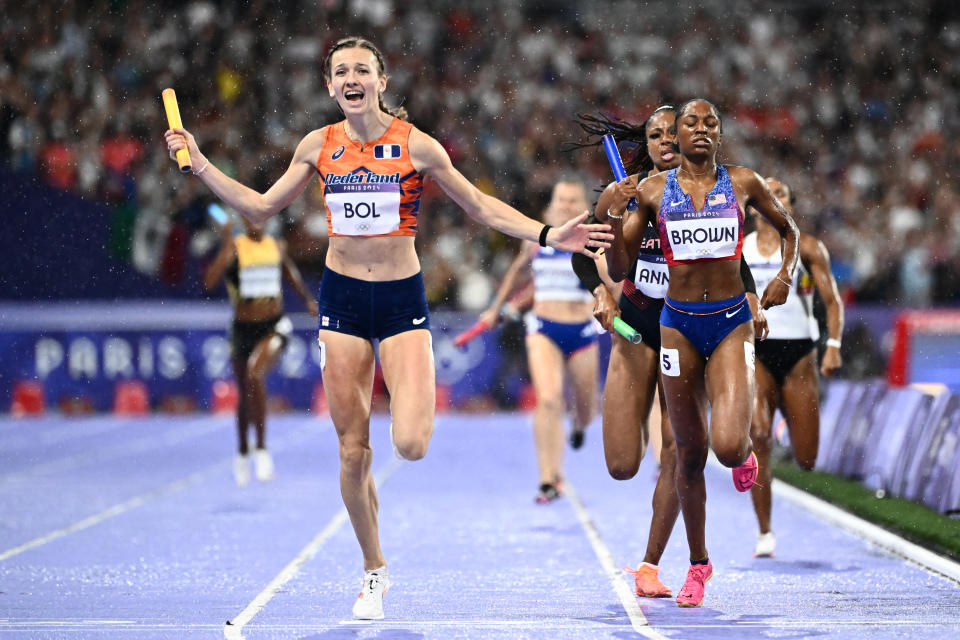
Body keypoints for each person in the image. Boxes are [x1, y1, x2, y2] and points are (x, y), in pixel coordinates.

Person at [164, 36, 612, 620]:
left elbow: (480, 206)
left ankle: (378, 551)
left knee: (411, 444)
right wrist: (198, 162)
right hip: (343, 302)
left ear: (381, 81)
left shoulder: (416, 146)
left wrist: (550, 235)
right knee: (353, 452)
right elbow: (258, 208)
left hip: (402, 302)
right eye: (340, 71)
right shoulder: (316, 145)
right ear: (330, 86)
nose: (351, 79)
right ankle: (373, 570)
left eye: (362, 70)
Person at [600, 98, 799, 607]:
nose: (691, 133)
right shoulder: (643, 192)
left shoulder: (740, 183)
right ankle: (688, 562)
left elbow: (772, 239)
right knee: (655, 459)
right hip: (657, 328)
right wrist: (608, 215)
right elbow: (612, 262)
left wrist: (776, 281)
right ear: (662, 141)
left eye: (707, 123)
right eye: (680, 127)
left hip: (720, 322)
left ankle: (738, 463)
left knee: (714, 448)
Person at [571, 106, 764, 598]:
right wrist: (598, 289)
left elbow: (731, 257)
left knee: (679, 450)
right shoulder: (632, 191)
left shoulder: (709, 189)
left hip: (688, 327)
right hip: (637, 330)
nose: (664, 143)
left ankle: (651, 564)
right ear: (648, 143)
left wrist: (753, 297)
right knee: (621, 464)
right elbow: (582, 253)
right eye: (654, 136)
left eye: (669, 134)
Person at [479, 180, 600, 504]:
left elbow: (608, 281)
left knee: (588, 409)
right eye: (561, 199)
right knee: (548, 399)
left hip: (582, 331)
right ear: (553, 203)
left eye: (573, 200)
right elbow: (521, 274)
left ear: (583, 206)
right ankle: (549, 479)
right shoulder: (539, 237)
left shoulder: (592, 240)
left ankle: (578, 423)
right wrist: (497, 308)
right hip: (543, 328)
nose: (566, 205)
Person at [743, 176, 844, 557]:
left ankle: (787, 421)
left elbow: (832, 301)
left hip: (800, 354)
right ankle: (764, 532)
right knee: (757, 437)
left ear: (788, 204)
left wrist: (832, 345)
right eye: (765, 193)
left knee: (806, 459)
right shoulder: (738, 248)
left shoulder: (809, 248)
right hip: (756, 352)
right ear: (754, 206)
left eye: (780, 193)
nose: (772, 197)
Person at [204, 216, 319, 487]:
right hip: (242, 330)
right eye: (251, 216)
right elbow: (209, 282)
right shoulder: (235, 247)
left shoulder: (275, 246)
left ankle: (263, 450)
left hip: (273, 326)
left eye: (262, 216)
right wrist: (224, 243)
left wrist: (307, 300)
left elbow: (290, 272)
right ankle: (243, 451)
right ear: (244, 219)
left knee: (255, 375)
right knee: (245, 395)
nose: (257, 222)